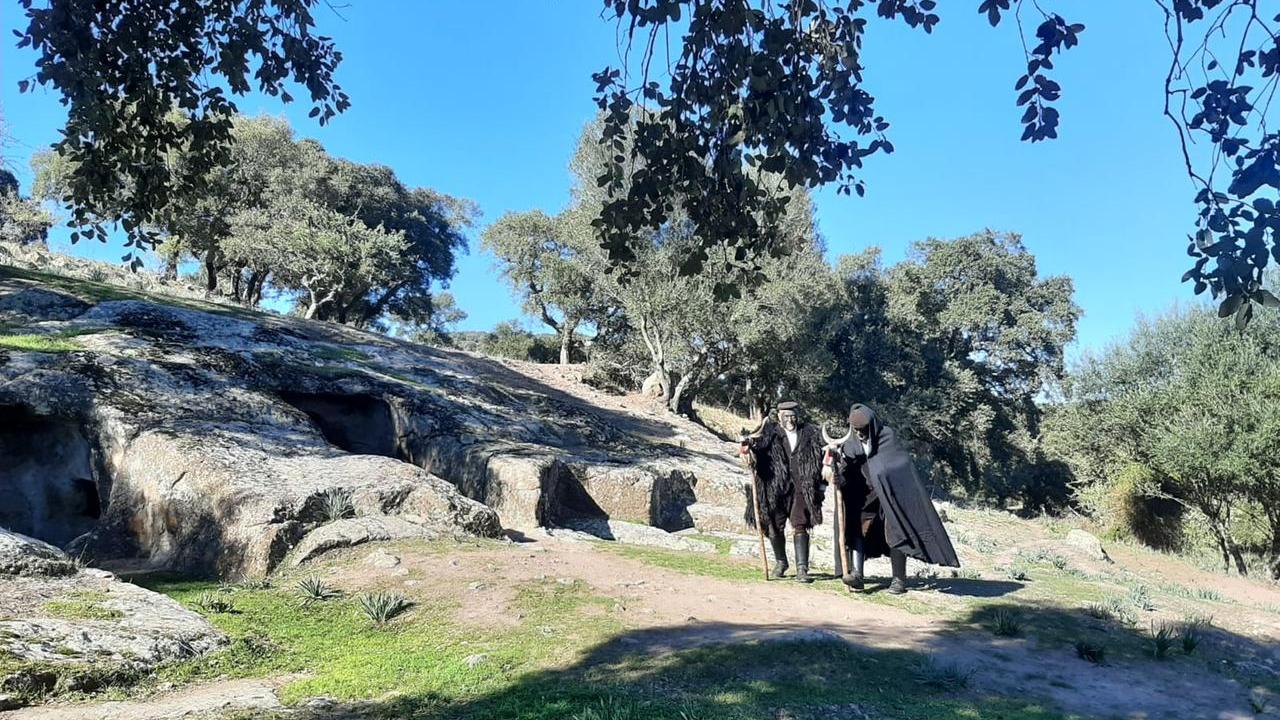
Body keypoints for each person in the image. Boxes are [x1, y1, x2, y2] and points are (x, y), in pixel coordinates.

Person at [828, 403, 959, 593]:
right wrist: (839, 475)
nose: (860, 434)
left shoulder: (887, 437)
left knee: (896, 532)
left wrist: (882, 476)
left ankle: (899, 580)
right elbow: (847, 470)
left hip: (891, 495)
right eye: (856, 430)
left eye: (863, 429)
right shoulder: (851, 444)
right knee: (858, 529)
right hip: (866, 498)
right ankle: (857, 575)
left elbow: (900, 464)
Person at [739, 401, 826, 583]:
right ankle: (781, 563)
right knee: (773, 525)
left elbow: (823, 456)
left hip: (802, 488)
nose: (790, 420)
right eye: (786, 416)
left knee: (800, 524)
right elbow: (756, 450)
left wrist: (822, 485)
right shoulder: (769, 434)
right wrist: (748, 450)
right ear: (779, 417)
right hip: (774, 489)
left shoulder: (810, 433)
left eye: (793, 416)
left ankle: (802, 569)